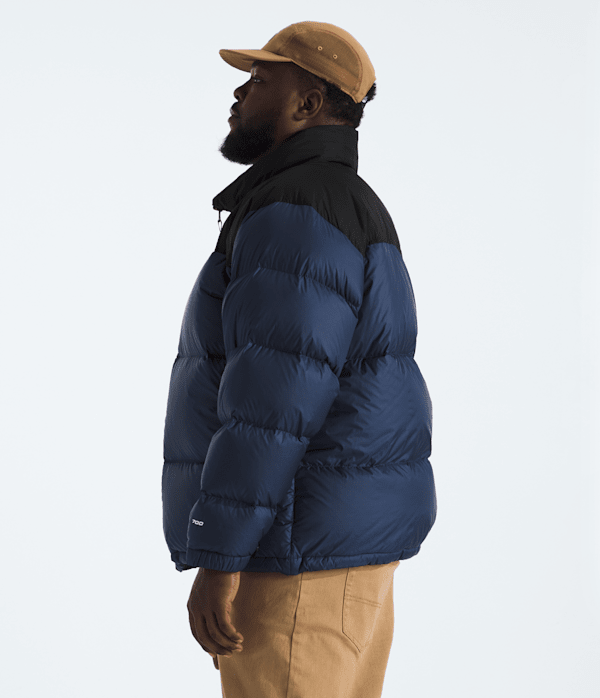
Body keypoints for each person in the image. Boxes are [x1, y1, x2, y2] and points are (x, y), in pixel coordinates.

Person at [161, 20, 437, 698]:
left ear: (308, 103)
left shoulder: (293, 210)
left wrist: (220, 555)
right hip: (335, 551)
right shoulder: (342, 204)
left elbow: (273, 403)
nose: (239, 92)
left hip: (293, 559)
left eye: (259, 80)